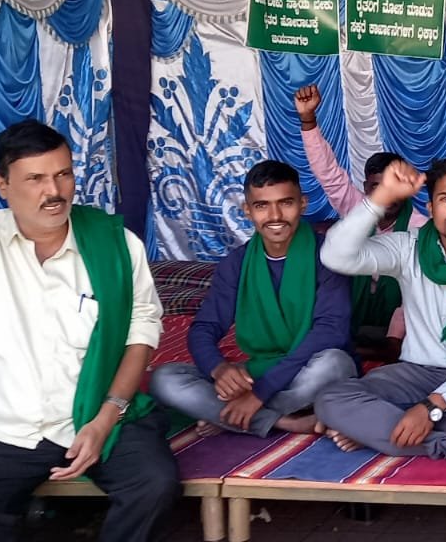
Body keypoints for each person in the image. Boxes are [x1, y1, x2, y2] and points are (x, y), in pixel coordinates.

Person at [0, 74, 177, 542]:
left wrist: (106, 417)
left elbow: (141, 329)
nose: (54, 191)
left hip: (92, 416)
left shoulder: (115, 244)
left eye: (63, 174)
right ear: (2, 185)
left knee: (154, 484)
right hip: (1, 430)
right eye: (35, 179)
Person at [314, 159, 446, 464]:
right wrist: (381, 197)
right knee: (330, 399)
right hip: (415, 372)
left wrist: (432, 406)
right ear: (430, 208)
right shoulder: (408, 247)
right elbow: (336, 255)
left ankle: (374, 429)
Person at [149, 161, 356, 438]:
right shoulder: (236, 263)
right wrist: (218, 369)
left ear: (303, 204)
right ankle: (284, 421)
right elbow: (204, 327)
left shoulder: (328, 256)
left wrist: (259, 393)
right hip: (259, 369)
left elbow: (330, 331)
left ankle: (231, 415)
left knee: (335, 364)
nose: (275, 216)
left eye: (285, 203)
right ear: (247, 210)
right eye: (262, 206)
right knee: (164, 379)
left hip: (307, 366)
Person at [296, 84, 428, 356]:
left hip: (400, 328)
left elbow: (416, 295)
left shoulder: (419, 226)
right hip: (350, 318)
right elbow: (328, 172)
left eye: (392, 186)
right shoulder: (356, 207)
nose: (386, 196)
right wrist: (308, 120)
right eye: (377, 188)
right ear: (366, 188)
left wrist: (394, 340)